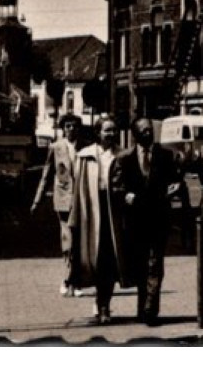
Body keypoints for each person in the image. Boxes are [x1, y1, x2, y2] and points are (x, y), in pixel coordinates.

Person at [113, 118, 184, 325]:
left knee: (155, 265)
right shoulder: (124, 159)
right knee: (141, 266)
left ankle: (150, 311)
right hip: (135, 222)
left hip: (158, 219)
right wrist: (125, 195)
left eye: (150, 130)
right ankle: (142, 308)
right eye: (143, 131)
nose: (148, 133)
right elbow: (116, 187)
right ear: (135, 135)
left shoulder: (165, 156)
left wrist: (173, 190)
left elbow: (176, 182)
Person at [69, 117, 129, 325]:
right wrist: (74, 218)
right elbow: (77, 190)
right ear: (98, 133)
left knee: (111, 261)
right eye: (107, 131)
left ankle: (105, 306)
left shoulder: (122, 155)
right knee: (95, 259)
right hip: (92, 212)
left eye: (114, 130)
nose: (111, 134)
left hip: (114, 212)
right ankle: (100, 300)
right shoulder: (85, 156)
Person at [32, 114, 82, 296]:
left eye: (74, 126)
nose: (71, 129)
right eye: (68, 126)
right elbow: (46, 174)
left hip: (82, 199)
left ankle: (73, 280)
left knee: (78, 241)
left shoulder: (85, 147)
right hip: (62, 200)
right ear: (63, 128)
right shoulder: (56, 147)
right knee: (68, 239)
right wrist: (37, 200)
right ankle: (68, 279)